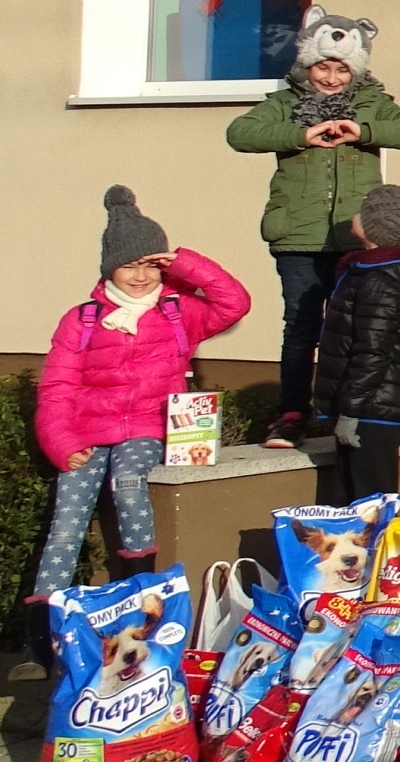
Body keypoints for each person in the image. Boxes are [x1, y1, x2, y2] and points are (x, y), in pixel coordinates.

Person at [28, 189, 251, 647]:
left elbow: (235, 303)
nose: (140, 276)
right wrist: (62, 444)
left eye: (151, 265)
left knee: (130, 485)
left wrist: (185, 262)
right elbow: (57, 387)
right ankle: (41, 638)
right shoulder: (83, 319)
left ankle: (138, 601)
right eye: (130, 265)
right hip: (85, 435)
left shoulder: (176, 311)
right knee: (65, 526)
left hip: (148, 428)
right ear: (109, 268)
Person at [223, 6, 400, 448]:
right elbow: (240, 134)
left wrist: (364, 130)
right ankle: (291, 414)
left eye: (341, 68)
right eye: (323, 66)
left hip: (357, 238)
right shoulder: (284, 104)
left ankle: (347, 410)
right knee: (301, 325)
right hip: (298, 237)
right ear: (306, 64)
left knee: (358, 327)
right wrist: (300, 136)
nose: (332, 77)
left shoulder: (371, 101)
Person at [313, 184, 400, 503]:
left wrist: (350, 411)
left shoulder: (381, 280)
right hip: (371, 404)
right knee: (353, 501)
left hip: (370, 410)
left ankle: (374, 553)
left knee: (368, 502)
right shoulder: (377, 269)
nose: (355, 214)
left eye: (364, 209)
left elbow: (373, 351)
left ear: (379, 225)